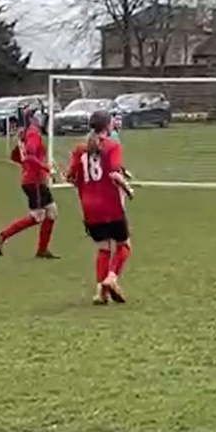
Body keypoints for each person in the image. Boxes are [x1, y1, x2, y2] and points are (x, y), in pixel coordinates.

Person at [65, 110, 134, 304]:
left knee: (103, 246)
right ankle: (111, 279)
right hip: (110, 204)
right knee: (124, 244)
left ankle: (100, 293)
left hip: (89, 207)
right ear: (108, 126)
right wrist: (128, 189)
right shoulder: (112, 146)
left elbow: (71, 177)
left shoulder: (80, 149)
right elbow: (112, 174)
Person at [0, 109, 59, 259]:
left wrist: (31, 167)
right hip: (33, 181)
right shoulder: (33, 134)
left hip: (35, 180)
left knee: (52, 212)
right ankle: (3, 236)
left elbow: (15, 156)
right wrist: (44, 168)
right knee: (38, 216)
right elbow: (29, 156)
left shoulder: (25, 134)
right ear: (34, 119)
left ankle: (42, 250)